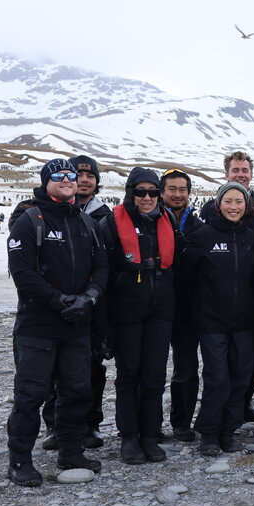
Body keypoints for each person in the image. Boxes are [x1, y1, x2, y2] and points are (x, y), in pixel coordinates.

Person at [5, 158, 107, 486]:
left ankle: (71, 450)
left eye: (71, 175)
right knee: (31, 394)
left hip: (76, 324)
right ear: (46, 181)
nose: (67, 180)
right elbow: (23, 274)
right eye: (59, 175)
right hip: (37, 325)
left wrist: (88, 298)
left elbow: (102, 267)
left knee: (77, 390)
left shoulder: (86, 222)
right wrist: (60, 301)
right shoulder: (29, 219)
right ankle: (19, 459)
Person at [99, 167, 176, 465]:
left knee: (155, 375)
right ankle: (129, 436)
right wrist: (103, 322)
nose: (147, 198)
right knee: (129, 375)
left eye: (153, 192)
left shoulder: (166, 220)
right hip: (126, 311)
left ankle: (150, 433)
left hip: (160, 311)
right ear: (130, 192)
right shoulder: (111, 224)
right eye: (140, 192)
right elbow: (102, 273)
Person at [37, 155, 113, 452]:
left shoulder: (103, 215)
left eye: (89, 175)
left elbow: (106, 264)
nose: (83, 179)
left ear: (96, 181)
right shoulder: (37, 212)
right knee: (54, 370)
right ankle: (55, 425)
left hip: (93, 304)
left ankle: (89, 423)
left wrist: (94, 298)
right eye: (77, 173)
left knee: (92, 369)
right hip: (50, 305)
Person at [180, 182, 254, 456]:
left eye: (239, 202)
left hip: (245, 322)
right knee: (217, 378)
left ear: (246, 205)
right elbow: (185, 276)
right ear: (218, 203)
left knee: (241, 377)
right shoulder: (203, 235)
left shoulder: (251, 235)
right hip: (212, 321)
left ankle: (228, 429)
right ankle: (209, 433)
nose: (234, 207)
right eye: (229, 201)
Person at [200, 151, 254, 423]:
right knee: (218, 369)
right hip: (218, 304)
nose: (241, 174)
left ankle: (242, 405)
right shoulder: (211, 210)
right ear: (226, 174)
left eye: (245, 170)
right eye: (236, 170)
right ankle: (215, 419)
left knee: (249, 362)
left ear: (251, 174)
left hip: (251, 298)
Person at [161, 168, 205, 442]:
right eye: (172, 189)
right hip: (155, 307)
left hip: (188, 309)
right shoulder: (150, 222)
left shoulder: (199, 228)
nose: (178, 194)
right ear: (162, 191)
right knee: (149, 370)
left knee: (186, 369)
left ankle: (181, 422)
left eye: (183, 190)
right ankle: (148, 425)